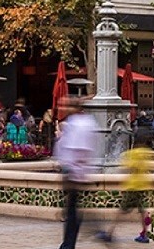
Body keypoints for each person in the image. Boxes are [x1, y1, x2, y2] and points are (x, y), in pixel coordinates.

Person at [54, 96, 102, 249]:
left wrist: (73, 169)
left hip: (73, 172)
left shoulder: (78, 123)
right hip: (76, 171)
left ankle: (70, 243)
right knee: (72, 209)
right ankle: (69, 243)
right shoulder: (84, 122)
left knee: (72, 211)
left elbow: (78, 149)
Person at [99, 127, 152, 244]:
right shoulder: (146, 152)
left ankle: (109, 234)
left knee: (121, 210)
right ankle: (144, 234)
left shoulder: (133, 154)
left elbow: (128, 168)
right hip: (143, 185)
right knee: (143, 211)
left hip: (133, 186)